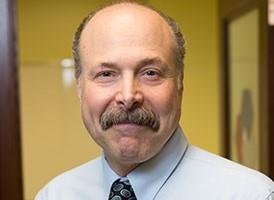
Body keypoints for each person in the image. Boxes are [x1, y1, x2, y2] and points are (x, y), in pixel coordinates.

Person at [35, 1, 274, 199]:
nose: (128, 96)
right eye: (106, 74)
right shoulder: (55, 194)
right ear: (79, 86)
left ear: (180, 83)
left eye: (150, 73)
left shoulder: (251, 194)